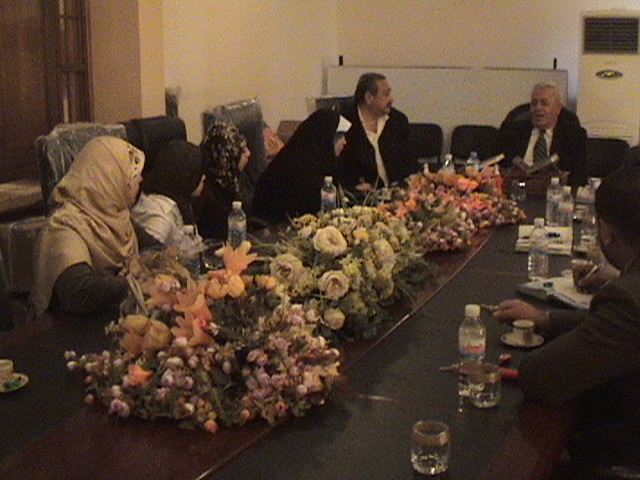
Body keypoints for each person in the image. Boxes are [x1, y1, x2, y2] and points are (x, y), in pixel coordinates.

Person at [494, 165, 640, 472]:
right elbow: (615, 330)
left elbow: (541, 377)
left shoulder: (628, 301)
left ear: (606, 233)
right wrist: (546, 319)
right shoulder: (627, 296)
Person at [30, 136, 145, 316]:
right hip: (69, 328)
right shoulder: (64, 226)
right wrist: (134, 283)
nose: (140, 180)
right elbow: (79, 292)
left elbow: (158, 250)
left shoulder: (117, 217)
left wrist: (143, 266)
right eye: (132, 176)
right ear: (109, 180)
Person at [251, 108, 350, 224]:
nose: (345, 141)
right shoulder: (299, 171)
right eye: (340, 136)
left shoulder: (319, 163)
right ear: (326, 137)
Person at [336, 72, 418, 191]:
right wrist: (354, 188)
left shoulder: (398, 121)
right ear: (369, 98)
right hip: (362, 196)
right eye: (386, 94)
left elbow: (410, 163)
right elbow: (340, 170)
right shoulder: (345, 124)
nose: (391, 99)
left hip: (398, 194)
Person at [497, 82, 588, 187]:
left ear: (558, 109)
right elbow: (498, 166)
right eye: (534, 103)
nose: (538, 108)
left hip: (554, 192)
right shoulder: (512, 131)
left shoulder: (574, 136)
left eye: (544, 103)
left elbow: (579, 178)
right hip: (517, 190)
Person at [131, 140, 205, 250]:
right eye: (197, 173)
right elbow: (149, 257)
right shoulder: (159, 218)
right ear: (183, 178)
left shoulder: (181, 202)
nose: (203, 177)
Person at [194, 121, 251, 240]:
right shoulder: (205, 196)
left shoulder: (237, 177)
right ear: (226, 155)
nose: (248, 153)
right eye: (240, 150)